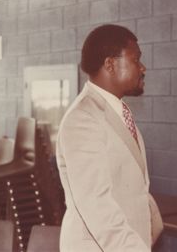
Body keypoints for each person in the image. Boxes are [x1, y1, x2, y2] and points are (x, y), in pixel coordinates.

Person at [56, 24, 162, 252]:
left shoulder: (117, 111)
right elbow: (97, 205)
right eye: (136, 60)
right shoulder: (82, 119)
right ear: (110, 64)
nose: (143, 68)